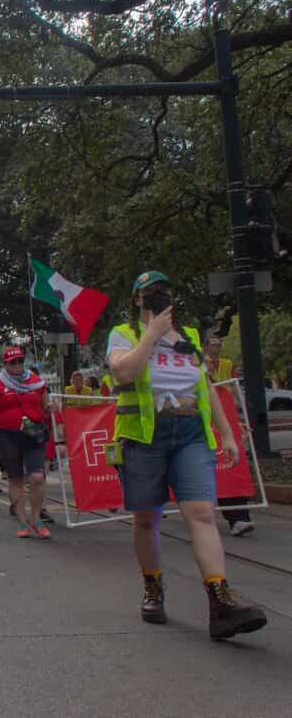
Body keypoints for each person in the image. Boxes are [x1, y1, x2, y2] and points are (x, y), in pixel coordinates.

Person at [107, 271, 265, 639]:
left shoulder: (190, 337)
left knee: (202, 513)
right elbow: (124, 372)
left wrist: (227, 433)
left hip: (191, 433)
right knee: (146, 519)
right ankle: (153, 588)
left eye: (164, 290)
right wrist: (152, 333)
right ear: (138, 300)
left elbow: (204, 387)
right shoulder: (123, 334)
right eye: (150, 292)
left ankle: (220, 600)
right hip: (143, 438)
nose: (158, 296)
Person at [0, 347, 52, 539]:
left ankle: (36, 518)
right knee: (16, 480)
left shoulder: (37, 382)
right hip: (9, 436)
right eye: (12, 362)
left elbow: (46, 406)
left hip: (34, 434)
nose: (17, 365)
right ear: (5, 364)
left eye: (20, 361)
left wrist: (50, 408)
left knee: (37, 477)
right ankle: (22, 522)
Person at [205, 335, 254, 536]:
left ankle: (239, 518)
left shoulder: (222, 383)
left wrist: (237, 422)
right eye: (213, 345)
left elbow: (226, 405)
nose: (209, 364)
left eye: (219, 344)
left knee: (230, 472)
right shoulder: (188, 389)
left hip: (221, 438)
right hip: (195, 440)